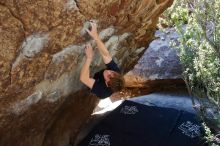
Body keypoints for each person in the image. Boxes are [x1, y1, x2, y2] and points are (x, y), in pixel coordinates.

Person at [80, 22, 124, 99]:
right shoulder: (116, 73)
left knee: (89, 81)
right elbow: (106, 55)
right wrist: (96, 36)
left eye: (109, 76)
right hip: (99, 77)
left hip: (99, 86)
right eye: (112, 72)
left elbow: (83, 78)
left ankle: (90, 87)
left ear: (107, 83)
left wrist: (89, 58)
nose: (109, 71)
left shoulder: (103, 91)